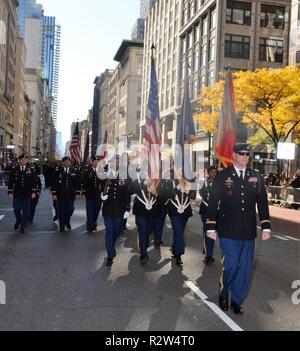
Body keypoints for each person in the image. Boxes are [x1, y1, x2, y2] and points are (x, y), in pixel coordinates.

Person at [207, 143, 271, 315]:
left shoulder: (256, 176)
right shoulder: (223, 176)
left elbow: (262, 203)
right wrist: (211, 226)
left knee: (245, 268)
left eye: (246, 154)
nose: (244, 156)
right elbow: (213, 202)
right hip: (227, 229)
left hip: (248, 230)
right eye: (241, 153)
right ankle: (223, 291)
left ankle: (237, 299)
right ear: (234, 155)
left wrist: (265, 226)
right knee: (232, 264)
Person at [101, 155, 131, 267]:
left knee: (116, 231)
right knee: (109, 231)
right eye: (115, 162)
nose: (117, 164)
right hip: (108, 209)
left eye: (119, 162)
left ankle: (110, 247)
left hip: (119, 209)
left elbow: (127, 193)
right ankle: (110, 254)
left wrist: (127, 208)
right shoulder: (105, 175)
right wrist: (101, 195)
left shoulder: (124, 176)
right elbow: (100, 188)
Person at [130, 170, 159, 264]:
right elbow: (131, 190)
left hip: (152, 210)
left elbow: (162, 192)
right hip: (141, 209)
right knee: (143, 231)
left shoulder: (156, 177)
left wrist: (154, 188)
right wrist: (144, 183)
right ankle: (143, 253)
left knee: (148, 231)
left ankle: (144, 246)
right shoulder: (137, 177)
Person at [7, 155, 37, 233]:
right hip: (17, 193)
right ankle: (18, 220)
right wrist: (10, 191)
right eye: (22, 159)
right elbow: (11, 181)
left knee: (25, 211)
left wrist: (34, 192)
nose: (24, 161)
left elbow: (34, 181)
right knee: (16, 209)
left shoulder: (31, 169)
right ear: (19, 160)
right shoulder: (14, 169)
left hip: (27, 194)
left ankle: (22, 227)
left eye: (25, 159)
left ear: (27, 160)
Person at [51, 157, 81, 232]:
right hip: (60, 194)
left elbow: (77, 183)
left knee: (70, 209)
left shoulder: (74, 171)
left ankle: (67, 221)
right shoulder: (58, 171)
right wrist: (54, 193)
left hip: (70, 195)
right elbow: (54, 183)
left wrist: (77, 193)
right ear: (63, 162)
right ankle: (62, 226)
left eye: (69, 161)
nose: (68, 163)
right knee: (61, 211)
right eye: (66, 161)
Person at [199, 165, 218, 265]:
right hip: (206, 211)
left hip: (216, 212)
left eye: (215, 172)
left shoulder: (220, 183)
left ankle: (207, 250)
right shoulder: (204, 182)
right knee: (208, 232)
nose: (214, 174)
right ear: (208, 173)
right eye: (212, 172)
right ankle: (208, 255)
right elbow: (201, 192)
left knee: (213, 233)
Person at [82, 156, 103, 233]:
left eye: (98, 161)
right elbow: (84, 182)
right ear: (92, 162)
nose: (96, 163)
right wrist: (84, 193)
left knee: (96, 210)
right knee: (90, 210)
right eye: (95, 161)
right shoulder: (87, 170)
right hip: (89, 194)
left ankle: (93, 222)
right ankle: (90, 225)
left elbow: (103, 183)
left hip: (98, 194)